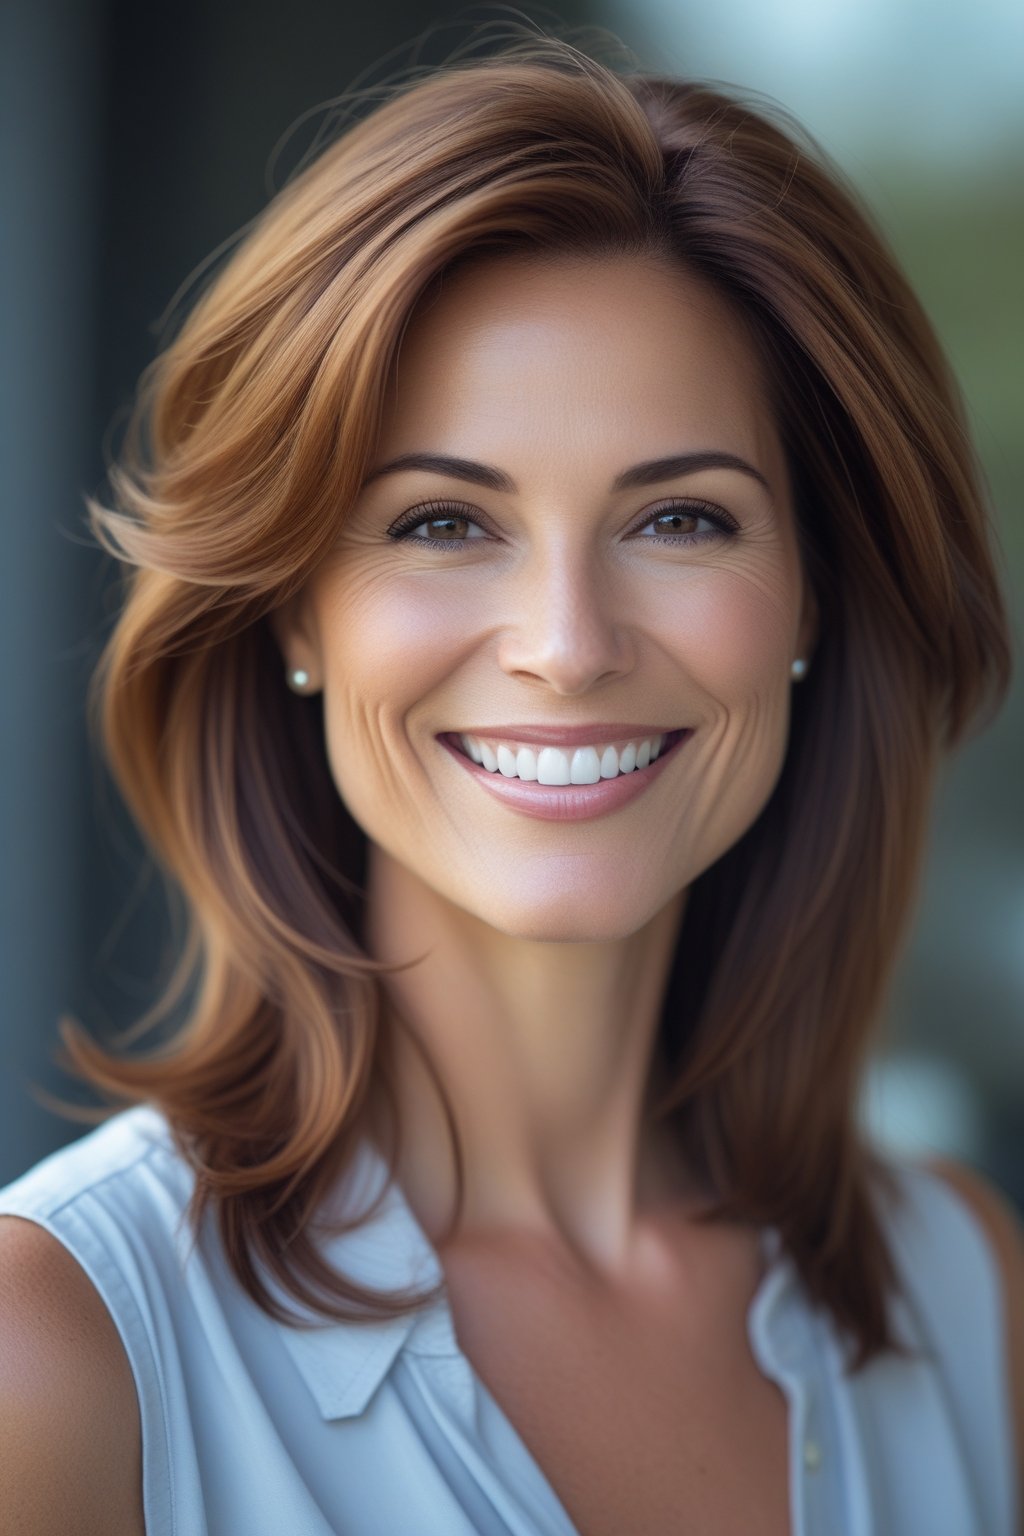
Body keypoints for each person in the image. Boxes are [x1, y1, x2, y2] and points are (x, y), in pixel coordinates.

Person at [0, 33, 1020, 1536]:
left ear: (812, 600)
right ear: (295, 607)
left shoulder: (965, 1298)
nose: (565, 646)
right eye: (440, 524)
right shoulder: (62, 1356)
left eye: (680, 518)